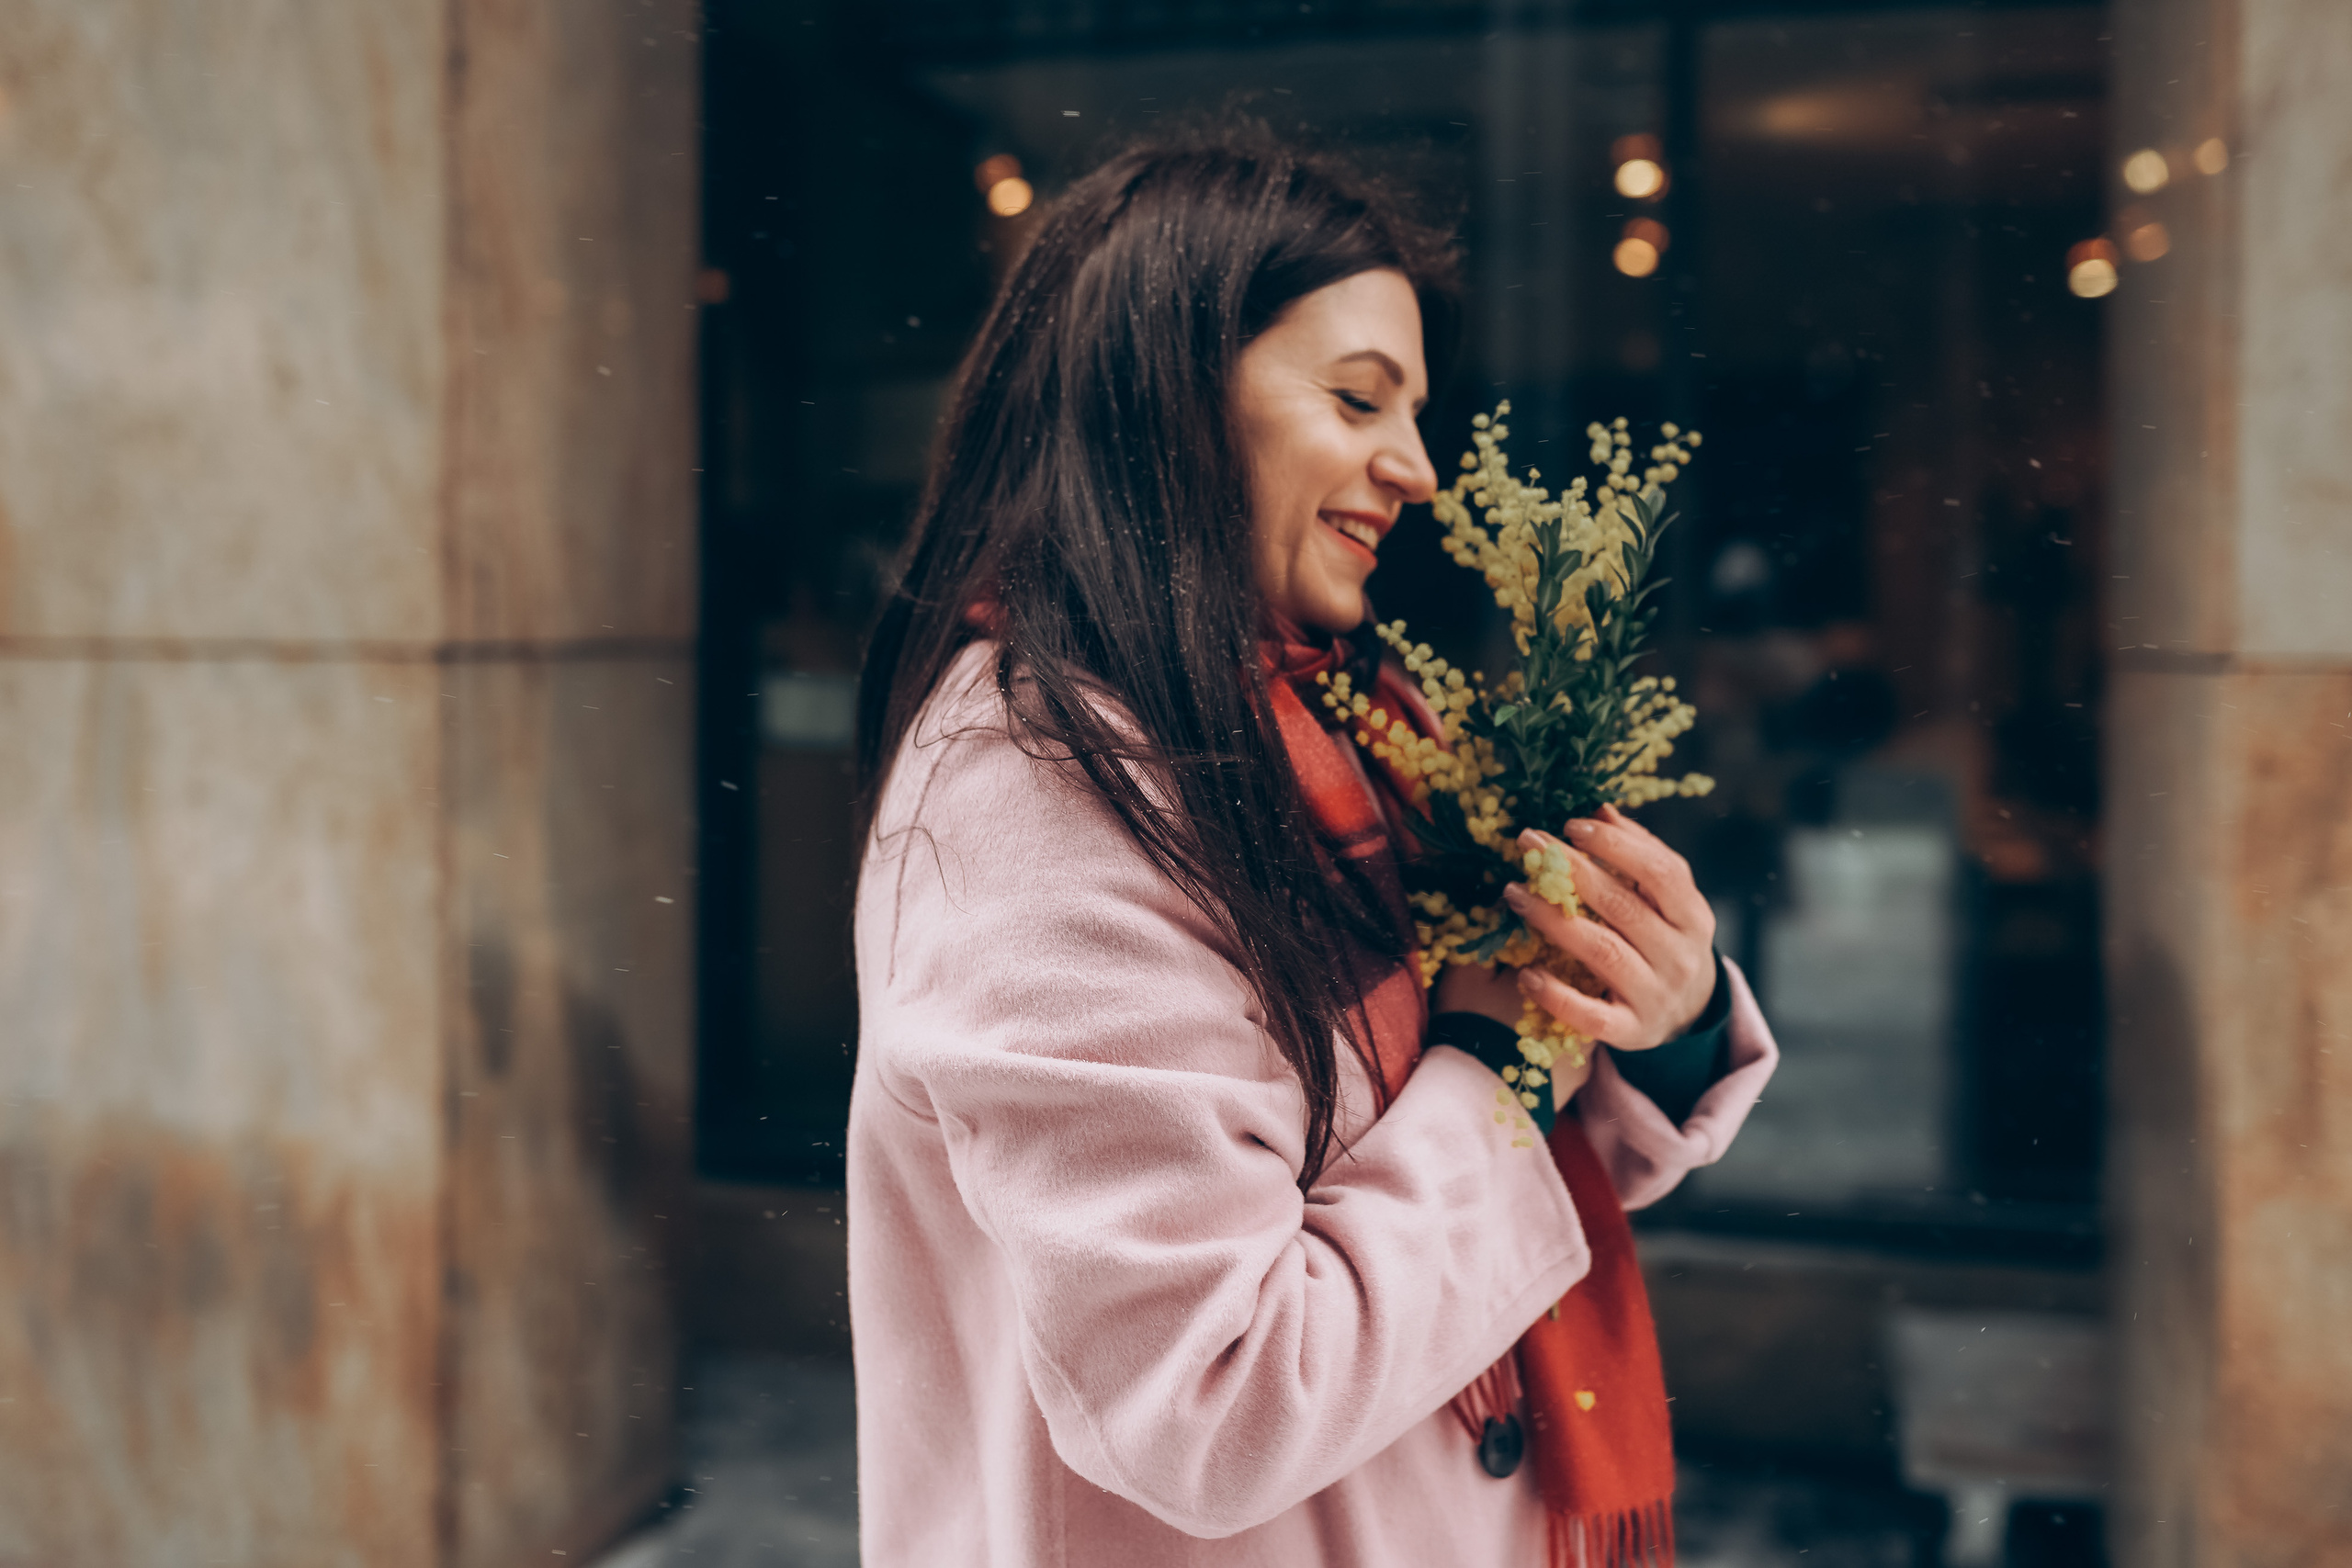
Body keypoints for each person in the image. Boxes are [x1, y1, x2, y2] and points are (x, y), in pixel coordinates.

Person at [848, 133, 1778, 1567]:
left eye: (1415, 412)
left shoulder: (1343, 720)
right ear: (1163, 394)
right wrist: (1502, 1061)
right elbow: (1216, 1402)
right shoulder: (1044, 784)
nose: (1418, 470)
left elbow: (1463, 1158)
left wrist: (1652, 1015)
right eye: (1357, 399)